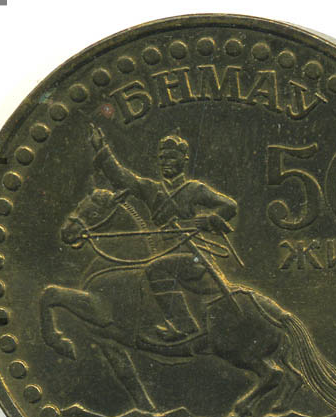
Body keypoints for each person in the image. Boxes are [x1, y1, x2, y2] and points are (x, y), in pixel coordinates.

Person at [91, 127, 238, 342]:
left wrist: (209, 219)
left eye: (171, 157)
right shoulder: (151, 189)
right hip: (162, 249)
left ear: (183, 161)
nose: (165, 162)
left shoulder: (194, 189)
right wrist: (102, 149)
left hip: (191, 252)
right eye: (162, 158)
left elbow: (230, 205)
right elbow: (123, 178)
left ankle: (183, 323)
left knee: (156, 269)